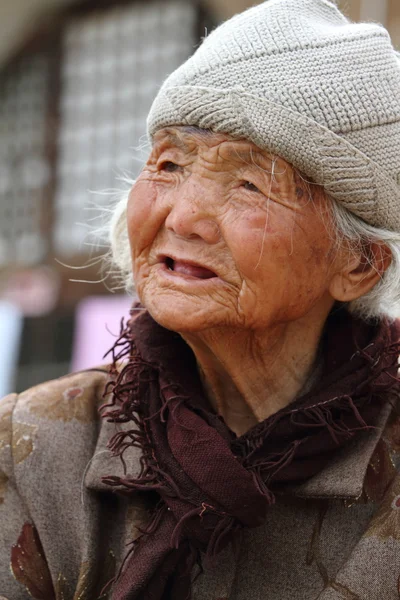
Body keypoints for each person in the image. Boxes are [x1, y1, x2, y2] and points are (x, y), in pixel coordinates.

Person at [1, 0, 400, 598]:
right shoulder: (29, 447)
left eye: (249, 183)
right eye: (167, 163)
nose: (183, 218)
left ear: (360, 262)